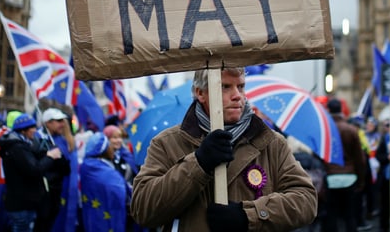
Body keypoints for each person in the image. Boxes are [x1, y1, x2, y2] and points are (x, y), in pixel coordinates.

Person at [131, 67, 317, 231]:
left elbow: (306, 200)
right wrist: (198, 163)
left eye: (241, 86)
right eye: (225, 87)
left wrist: (248, 216)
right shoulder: (167, 143)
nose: (237, 95)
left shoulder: (271, 142)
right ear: (200, 93)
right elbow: (142, 210)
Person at [0, 113, 63, 232]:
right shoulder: (17, 148)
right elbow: (34, 169)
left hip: (25, 203)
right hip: (21, 205)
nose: (35, 130)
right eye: (32, 128)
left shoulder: (22, 145)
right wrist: (50, 157)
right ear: (23, 131)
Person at [322, 98, 367, 232]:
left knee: (331, 215)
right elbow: (360, 158)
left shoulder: (325, 130)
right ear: (341, 110)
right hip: (349, 177)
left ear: (328, 110)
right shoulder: (351, 130)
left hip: (330, 177)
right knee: (349, 216)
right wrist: (361, 180)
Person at [35, 108, 76, 232]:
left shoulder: (63, 140)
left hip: (58, 189)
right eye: (58, 121)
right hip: (43, 192)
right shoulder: (37, 139)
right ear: (48, 123)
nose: (62, 124)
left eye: (62, 121)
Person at [80, 132, 131, 232]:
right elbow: (119, 193)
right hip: (108, 216)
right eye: (109, 146)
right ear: (102, 150)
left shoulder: (88, 165)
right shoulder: (101, 170)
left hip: (94, 216)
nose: (112, 148)